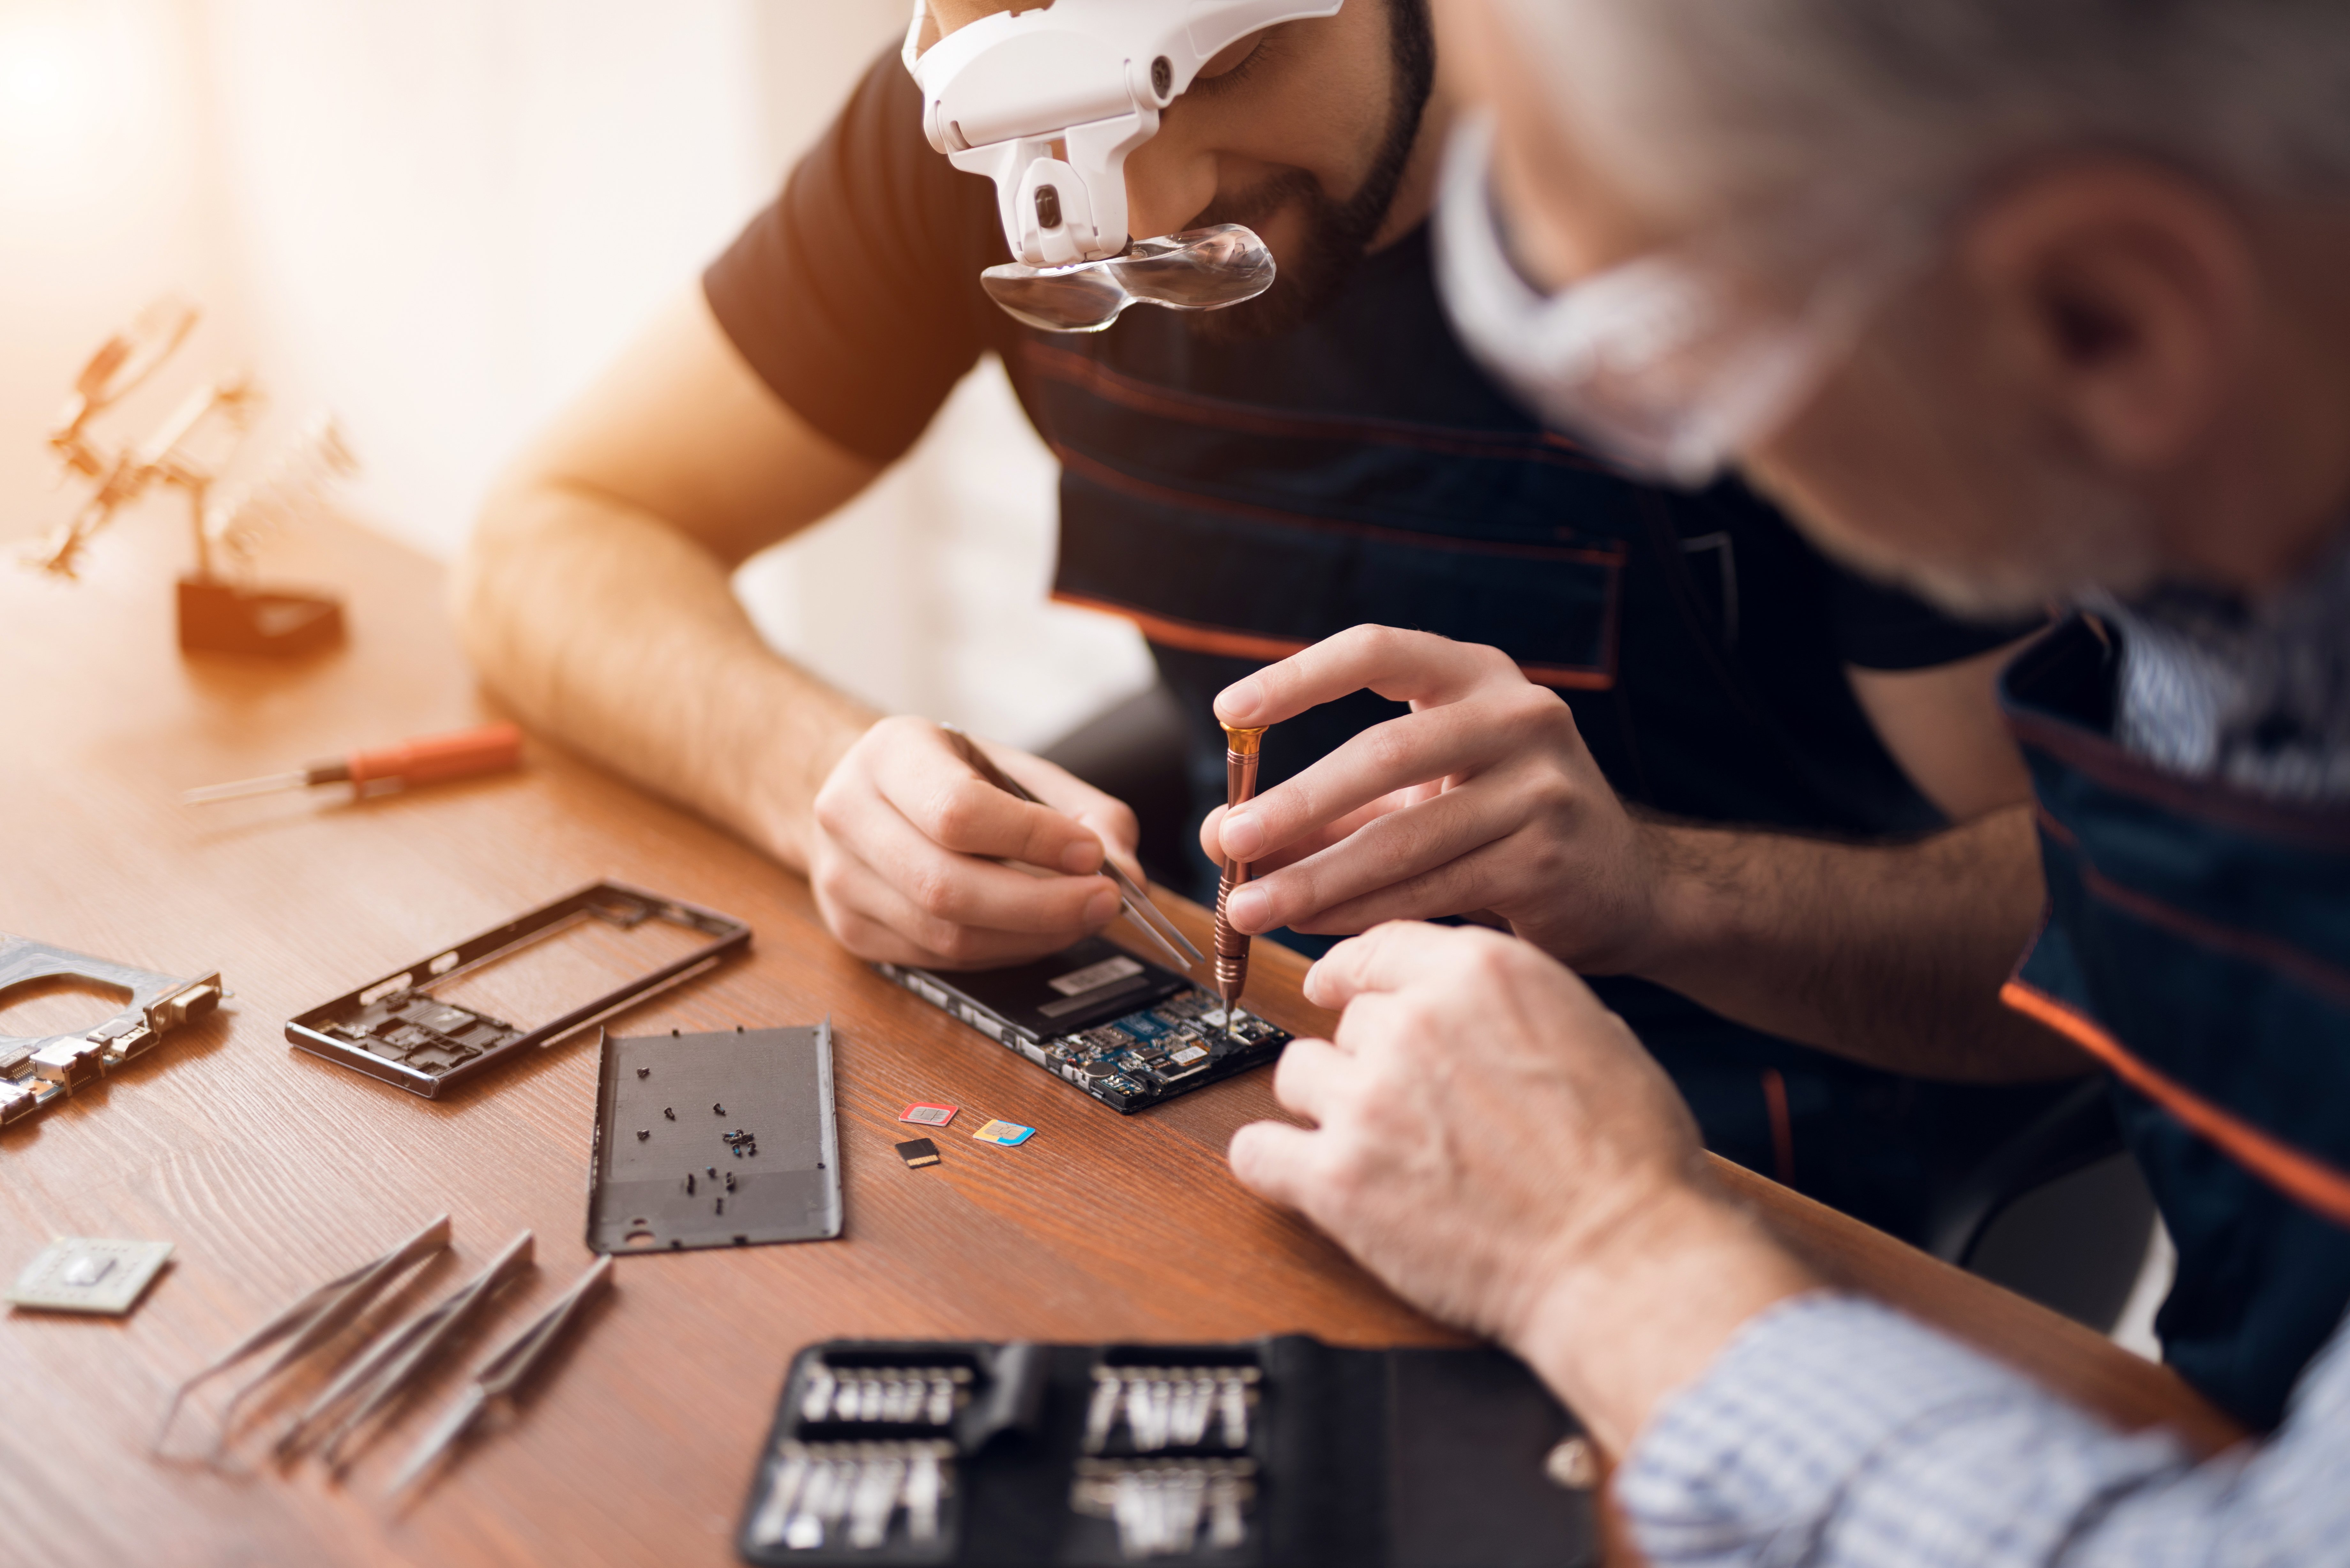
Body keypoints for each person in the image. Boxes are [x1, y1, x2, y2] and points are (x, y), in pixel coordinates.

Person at [455, 0, 2081, 1247]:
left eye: (1210, 78)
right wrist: (823, 778)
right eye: (1042, 143)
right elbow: (551, 540)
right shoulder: (995, 110)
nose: (1148, 215)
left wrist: (1656, 889)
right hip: (1273, 1089)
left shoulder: (1755, 189)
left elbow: (2125, 933)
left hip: (1749, 1171)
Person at [1222, 0, 2350, 1556]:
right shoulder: (2230, 552)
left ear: (2106, 314)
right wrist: (1644, 884)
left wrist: (1606, 1261)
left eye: (1664, 360)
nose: (1705, 465)